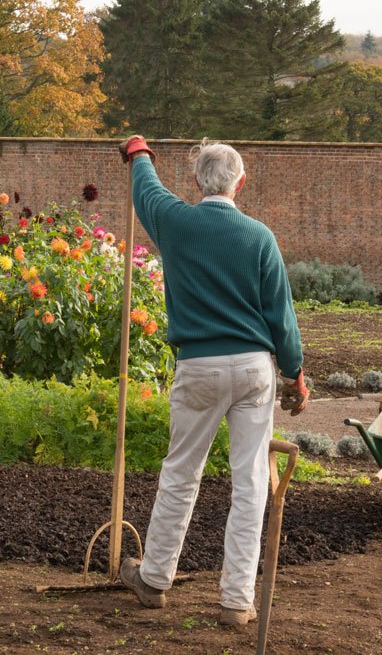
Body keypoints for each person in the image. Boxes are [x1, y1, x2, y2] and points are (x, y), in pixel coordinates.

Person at [116, 135, 309, 628]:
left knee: (181, 473)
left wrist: (140, 154)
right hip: (252, 370)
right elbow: (281, 318)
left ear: (198, 182)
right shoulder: (260, 238)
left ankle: (155, 581)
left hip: (198, 367)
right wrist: (297, 374)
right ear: (240, 182)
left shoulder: (175, 221)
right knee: (249, 483)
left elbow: (146, 190)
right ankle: (236, 602)